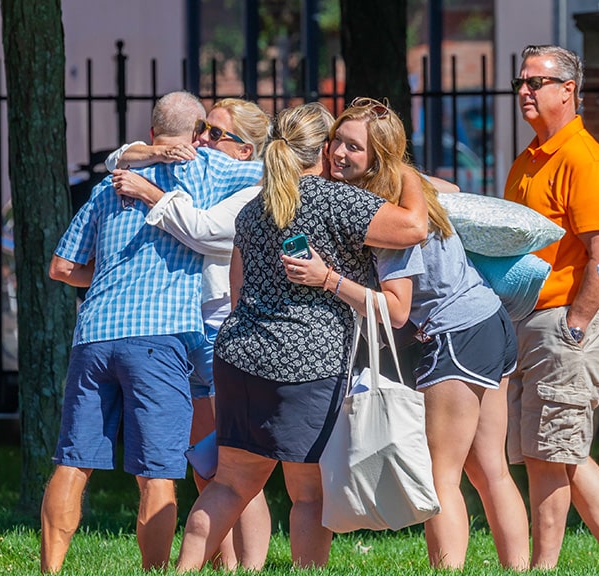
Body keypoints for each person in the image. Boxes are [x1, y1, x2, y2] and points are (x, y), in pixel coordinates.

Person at [175, 102, 428, 571]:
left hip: (239, 356)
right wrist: (400, 167)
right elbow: (414, 226)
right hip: (308, 364)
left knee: (229, 486)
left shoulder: (256, 207)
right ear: (322, 148)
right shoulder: (338, 201)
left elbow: (237, 287)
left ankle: (184, 570)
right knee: (309, 495)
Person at [285, 97, 529, 570]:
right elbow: (451, 185)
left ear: (378, 158)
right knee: (488, 468)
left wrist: (326, 279)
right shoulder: (408, 185)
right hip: (490, 322)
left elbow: (396, 312)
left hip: (457, 334)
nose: (337, 152)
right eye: (337, 140)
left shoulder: (388, 217)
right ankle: (523, 569)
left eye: (353, 148)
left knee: (441, 477)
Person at [40, 90, 264, 574]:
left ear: (151, 132)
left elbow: (61, 267)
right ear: (198, 134)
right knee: (157, 473)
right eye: (206, 133)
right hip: (160, 338)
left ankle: (50, 569)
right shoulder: (208, 171)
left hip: (95, 334)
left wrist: (133, 157)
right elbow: (280, 172)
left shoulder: (110, 186)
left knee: (72, 463)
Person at [105, 97, 273, 570]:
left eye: (216, 133)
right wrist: (153, 157)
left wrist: (152, 194)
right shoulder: (195, 171)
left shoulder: (254, 186)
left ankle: (251, 565)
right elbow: (116, 158)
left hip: (223, 331)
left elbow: (206, 233)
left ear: (245, 150)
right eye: (202, 128)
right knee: (207, 465)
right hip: (183, 327)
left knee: (238, 468)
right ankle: (225, 562)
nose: (202, 139)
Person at [502, 44, 599, 569]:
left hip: (563, 323)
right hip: (532, 321)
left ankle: (543, 567)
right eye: (522, 82)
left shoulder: (583, 160)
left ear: (568, 90)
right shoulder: (531, 158)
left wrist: (577, 324)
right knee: (560, 450)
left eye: (536, 82)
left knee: (545, 455)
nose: (524, 92)